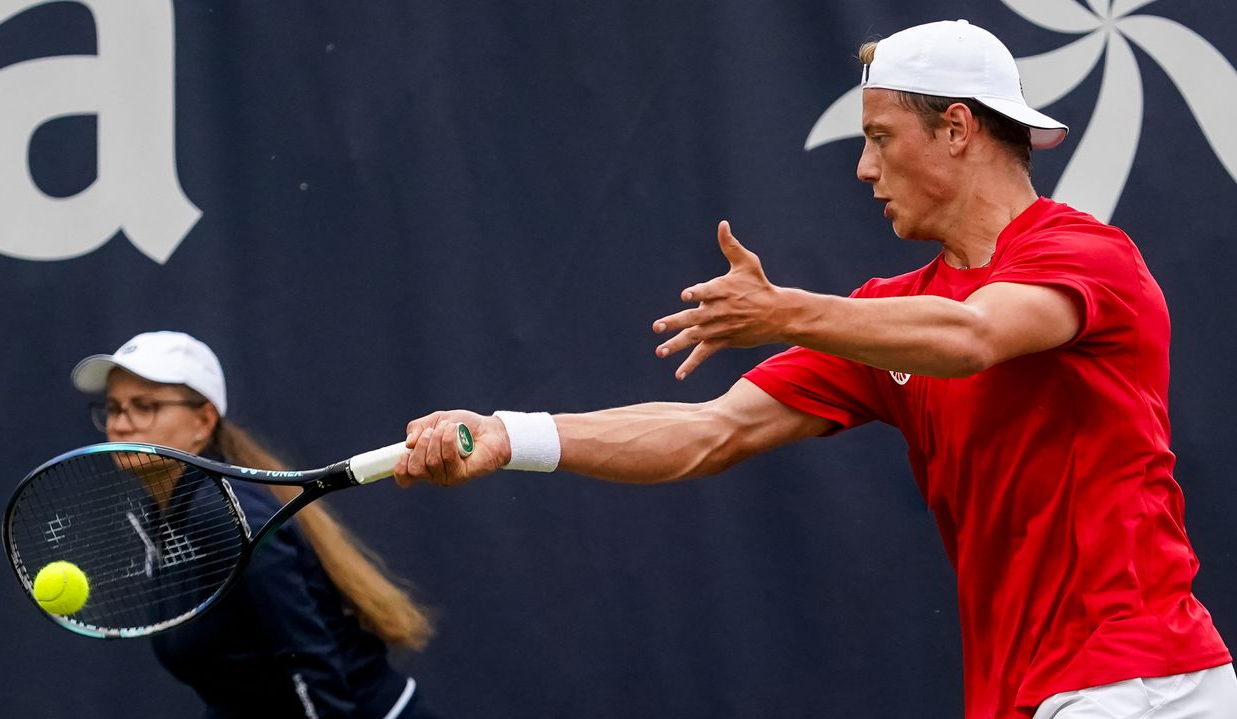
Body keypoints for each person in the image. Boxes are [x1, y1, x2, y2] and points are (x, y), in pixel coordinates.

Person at [393, 19, 1236, 719]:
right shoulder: (889, 319)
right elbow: (710, 431)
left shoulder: (1087, 255)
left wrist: (785, 312)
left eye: (880, 138)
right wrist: (509, 435)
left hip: (1140, 682)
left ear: (956, 129)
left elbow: (975, 335)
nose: (864, 167)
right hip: (1033, 692)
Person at [72, 330, 441, 719]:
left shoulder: (222, 516)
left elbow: (305, 654)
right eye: (113, 408)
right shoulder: (167, 517)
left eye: (145, 406)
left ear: (203, 421)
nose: (122, 424)